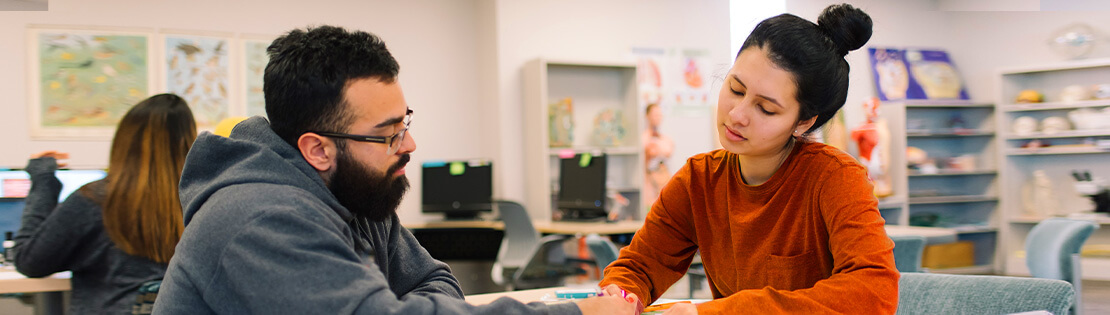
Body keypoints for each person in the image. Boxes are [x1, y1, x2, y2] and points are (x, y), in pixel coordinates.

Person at [153, 25, 635, 315]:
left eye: (404, 122)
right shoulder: (255, 219)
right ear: (318, 149)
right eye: (387, 134)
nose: (409, 145)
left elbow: (434, 284)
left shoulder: (355, 190)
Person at [599, 4, 899, 314]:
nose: (737, 114)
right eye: (735, 88)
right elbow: (640, 265)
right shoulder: (699, 180)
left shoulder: (835, 178)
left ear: (803, 122)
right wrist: (620, 295)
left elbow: (874, 292)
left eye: (766, 109)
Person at [13, 93, 197, 314]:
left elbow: (29, 261)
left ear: (123, 142)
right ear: (190, 141)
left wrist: (43, 180)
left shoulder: (96, 200)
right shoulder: (203, 200)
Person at [641, 103, 674, 211]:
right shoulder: (643, 137)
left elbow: (668, 150)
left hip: (663, 180)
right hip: (648, 182)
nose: (658, 118)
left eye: (659, 115)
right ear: (647, 116)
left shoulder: (665, 138)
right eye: (655, 114)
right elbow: (649, 149)